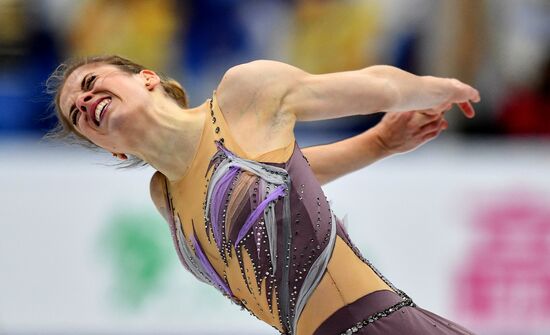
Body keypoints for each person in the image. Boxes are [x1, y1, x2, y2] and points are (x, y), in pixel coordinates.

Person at [47, 55, 480, 335]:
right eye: (75, 113)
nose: (84, 102)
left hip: (383, 326)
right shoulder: (165, 196)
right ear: (110, 149)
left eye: (89, 83)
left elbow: (376, 85)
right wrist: (377, 145)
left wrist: (435, 89)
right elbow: (274, 178)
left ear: (146, 79)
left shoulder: (243, 95)